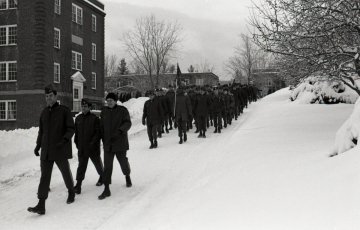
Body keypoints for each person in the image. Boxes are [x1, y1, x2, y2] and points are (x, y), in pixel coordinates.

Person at [28, 85, 76, 215]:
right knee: (44, 177)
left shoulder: (64, 111)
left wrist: (65, 140)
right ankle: (41, 204)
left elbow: (71, 128)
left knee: (65, 172)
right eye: (46, 96)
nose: (48, 98)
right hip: (47, 150)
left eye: (50, 96)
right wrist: (38, 145)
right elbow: (41, 131)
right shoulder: (44, 112)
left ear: (56, 96)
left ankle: (71, 191)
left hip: (59, 149)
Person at [98, 92, 132, 200]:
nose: (109, 103)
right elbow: (101, 126)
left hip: (120, 143)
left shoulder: (122, 111)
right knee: (107, 167)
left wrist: (120, 131)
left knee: (123, 163)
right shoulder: (104, 111)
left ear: (116, 101)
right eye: (107, 101)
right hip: (108, 144)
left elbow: (128, 123)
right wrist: (101, 137)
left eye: (111, 101)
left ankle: (127, 175)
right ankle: (107, 188)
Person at [73, 98, 104, 195]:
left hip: (93, 148)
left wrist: (92, 143)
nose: (83, 108)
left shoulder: (95, 119)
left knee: (98, 164)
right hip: (82, 148)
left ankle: (102, 177)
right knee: (81, 167)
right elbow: (76, 133)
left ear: (89, 107)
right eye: (82, 106)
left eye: (85, 106)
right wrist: (76, 142)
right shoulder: (78, 118)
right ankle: (78, 185)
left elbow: (98, 133)